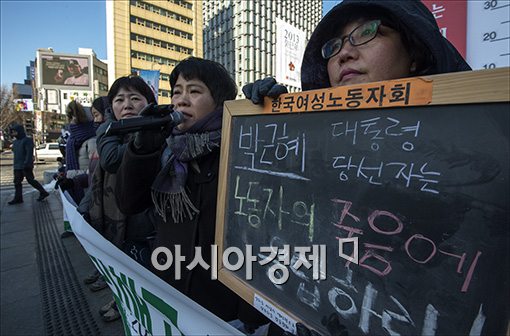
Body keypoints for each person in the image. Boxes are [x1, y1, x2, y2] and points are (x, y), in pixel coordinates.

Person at [114, 57, 268, 331]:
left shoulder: (243, 150)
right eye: (176, 92)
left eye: (194, 91)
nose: (181, 100)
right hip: (168, 296)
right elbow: (129, 203)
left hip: (222, 311)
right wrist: (141, 150)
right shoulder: (166, 151)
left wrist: (250, 319)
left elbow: (260, 236)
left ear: (220, 103)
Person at [243, 0, 471, 103]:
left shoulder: (486, 128)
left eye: (367, 32)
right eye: (333, 46)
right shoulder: (309, 139)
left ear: (414, 54)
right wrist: (271, 122)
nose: (343, 54)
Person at [87, 76, 157, 322]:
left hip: (145, 228)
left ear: (150, 103)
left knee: (143, 276)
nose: (127, 104)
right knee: (123, 271)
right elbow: (97, 178)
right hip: (115, 224)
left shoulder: (156, 135)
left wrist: (106, 130)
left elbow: (113, 160)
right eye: (119, 100)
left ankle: (130, 308)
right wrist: (85, 211)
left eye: (135, 98)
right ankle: (121, 301)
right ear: (111, 108)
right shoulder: (110, 134)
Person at [7, 124, 49, 205]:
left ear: (19, 131)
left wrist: (27, 163)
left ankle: (43, 192)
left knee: (31, 180)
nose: (13, 133)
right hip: (17, 165)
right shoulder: (15, 142)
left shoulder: (27, 140)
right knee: (17, 182)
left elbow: (29, 153)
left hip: (25, 165)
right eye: (12, 132)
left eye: (15, 131)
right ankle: (18, 198)